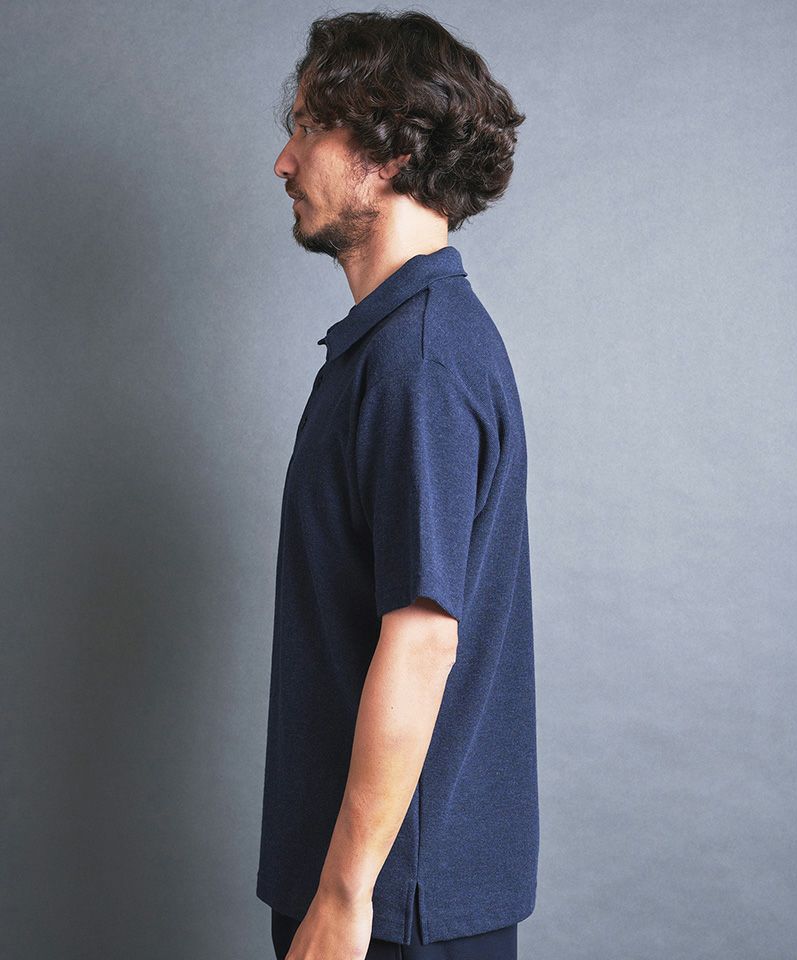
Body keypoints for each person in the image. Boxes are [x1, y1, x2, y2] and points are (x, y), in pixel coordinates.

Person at [257, 10, 538, 959]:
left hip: (389, 901)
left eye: (308, 127)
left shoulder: (418, 361)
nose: (284, 162)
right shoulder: (395, 347)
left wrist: (343, 897)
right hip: (379, 883)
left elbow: (422, 642)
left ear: (388, 151)